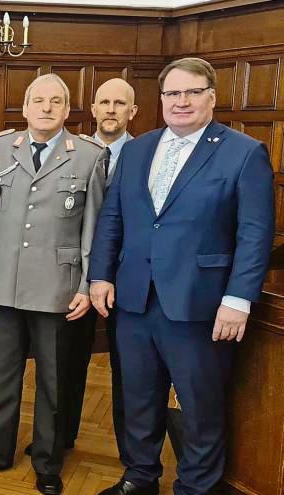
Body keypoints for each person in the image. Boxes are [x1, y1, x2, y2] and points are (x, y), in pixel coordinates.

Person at [89, 57, 274, 495]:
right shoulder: (137, 150)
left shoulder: (243, 152)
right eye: (173, 93)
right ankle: (139, 476)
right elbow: (112, 218)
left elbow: (255, 233)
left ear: (212, 97)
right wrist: (100, 276)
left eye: (192, 92)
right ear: (162, 98)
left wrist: (238, 299)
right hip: (133, 299)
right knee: (137, 399)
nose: (181, 101)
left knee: (200, 406)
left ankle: (195, 487)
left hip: (200, 304)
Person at [0, 74, 107, 495]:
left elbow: (92, 230)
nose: (46, 107)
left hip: (57, 289)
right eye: (37, 100)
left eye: (55, 101)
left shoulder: (87, 156)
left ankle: (47, 459)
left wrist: (85, 284)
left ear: (67, 110)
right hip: (4, 282)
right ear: (24, 109)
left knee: (53, 380)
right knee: (4, 375)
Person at [60, 77, 138, 457]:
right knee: (69, 363)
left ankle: (131, 454)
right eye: (103, 102)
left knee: (130, 370)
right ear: (91, 110)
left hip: (131, 279)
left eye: (119, 103)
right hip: (77, 278)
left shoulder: (147, 154)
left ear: (132, 111)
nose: (110, 109)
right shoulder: (72, 151)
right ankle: (60, 438)